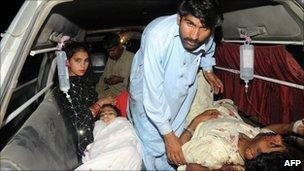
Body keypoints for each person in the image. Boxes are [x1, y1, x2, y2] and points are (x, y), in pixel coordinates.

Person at [128, 0, 224, 170]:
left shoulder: (208, 33)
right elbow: (153, 93)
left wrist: (208, 70)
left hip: (182, 91)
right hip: (148, 92)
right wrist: (168, 136)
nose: (195, 36)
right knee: (152, 142)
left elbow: (209, 48)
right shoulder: (157, 36)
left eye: (203, 29)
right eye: (190, 24)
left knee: (175, 139)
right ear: (179, 19)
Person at [177, 71, 304, 170]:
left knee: (188, 69)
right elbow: (269, 131)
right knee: (201, 68)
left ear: (250, 154)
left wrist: (195, 122)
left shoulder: (217, 152)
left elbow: (178, 157)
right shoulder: (254, 139)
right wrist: (293, 127)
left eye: (273, 144)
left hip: (195, 110)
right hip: (216, 104)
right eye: (282, 143)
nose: (278, 137)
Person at [56, 42, 116, 161]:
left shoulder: (82, 81)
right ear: (67, 62)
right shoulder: (66, 89)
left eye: (86, 60)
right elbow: (81, 119)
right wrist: (101, 103)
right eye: (78, 60)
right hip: (84, 140)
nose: (83, 65)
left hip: (96, 128)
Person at [75, 104, 142, 170]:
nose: (106, 115)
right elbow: (98, 141)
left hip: (124, 149)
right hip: (103, 152)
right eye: (102, 115)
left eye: (110, 113)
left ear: (117, 116)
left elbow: (129, 134)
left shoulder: (122, 122)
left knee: (129, 151)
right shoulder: (98, 125)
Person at [96, 33, 134, 97]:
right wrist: (97, 92)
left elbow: (138, 83)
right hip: (111, 94)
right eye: (108, 51)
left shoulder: (133, 58)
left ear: (120, 45)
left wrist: (121, 80)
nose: (110, 54)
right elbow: (103, 77)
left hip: (127, 96)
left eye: (113, 50)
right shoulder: (110, 59)